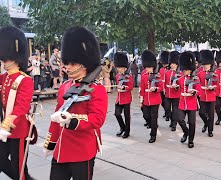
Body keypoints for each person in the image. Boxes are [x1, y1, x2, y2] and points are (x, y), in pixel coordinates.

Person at [43, 26, 108, 180]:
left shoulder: (96, 89)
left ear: (84, 63)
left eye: (72, 63)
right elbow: (56, 116)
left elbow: (97, 119)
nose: (67, 67)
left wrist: (72, 120)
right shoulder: (66, 86)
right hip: (61, 150)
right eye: (67, 63)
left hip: (82, 151)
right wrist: (50, 142)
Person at [0, 26, 35, 180]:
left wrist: (7, 123)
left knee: (18, 166)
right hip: (3, 129)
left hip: (18, 129)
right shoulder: (4, 77)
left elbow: (21, 106)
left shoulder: (25, 80)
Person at [176, 51, 199, 148]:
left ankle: (190, 140)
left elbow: (199, 91)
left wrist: (194, 92)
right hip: (182, 102)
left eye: (186, 69)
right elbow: (179, 89)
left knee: (192, 123)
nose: (184, 71)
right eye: (184, 69)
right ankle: (186, 132)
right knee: (180, 119)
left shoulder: (195, 79)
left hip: (191, 103)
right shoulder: (180, 79)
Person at [139, 50, 162, 143]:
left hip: (155, 100)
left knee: (154, 117)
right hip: (146, 100)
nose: (147, 69)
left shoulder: (157, 76)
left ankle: (153, 135)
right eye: (146, 67)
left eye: (149, 67)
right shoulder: (144, 75)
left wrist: (155, 89)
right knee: (146, 115)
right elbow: (142, 88)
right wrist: (141, 101)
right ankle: (153, 125)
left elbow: (161, 87)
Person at [114, 52, 133, 138]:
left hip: (126, 98)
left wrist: (124, 88)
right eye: (118, 67)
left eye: (120, 68)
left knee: (127, 116)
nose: (119, 69)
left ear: (125, 68)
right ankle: (122, 128)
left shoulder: (129, 76)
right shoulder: (117, 76)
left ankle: (127, 131)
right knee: (117, 114)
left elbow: (130, 87)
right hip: (119, 98)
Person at [197, 50, 216, 137]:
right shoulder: (200, 73)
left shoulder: (214, 73)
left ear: (210, 64)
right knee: (201, 112)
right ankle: (206, 123)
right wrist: (201, 88)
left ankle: (210, 131)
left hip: (211, 96)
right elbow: (197, 84)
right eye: (204, 64)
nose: (204, 66)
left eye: (206, 64)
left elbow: (217, 84)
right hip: (203, 96)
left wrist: (213, 87)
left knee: (211, 114)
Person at [164, 51, 181, 131]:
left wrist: (176, 86)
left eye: (173, 63)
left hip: (176, 94)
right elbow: (165, 82)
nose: (171, 64)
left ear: (176, 64)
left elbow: (181, 84)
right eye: (171, 63)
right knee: (167, 109)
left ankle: (174, 124)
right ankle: (172, 119)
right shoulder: (167, 73)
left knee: (175, 110)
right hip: (168, 94)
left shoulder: (180, 73)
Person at [158, 51, 170, 120]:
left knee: (167, 103)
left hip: (167, 88)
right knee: (162, 102)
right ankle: (167, 112)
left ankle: (168, 114)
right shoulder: (161, 69)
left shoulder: (169, 69)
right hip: (161, 88)